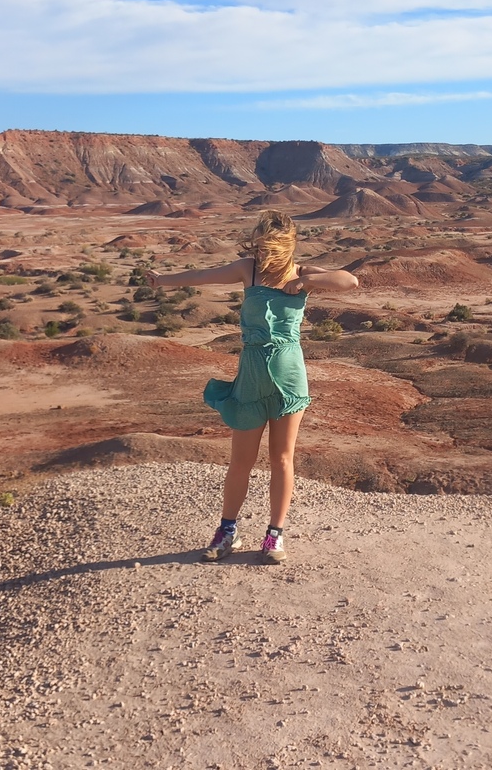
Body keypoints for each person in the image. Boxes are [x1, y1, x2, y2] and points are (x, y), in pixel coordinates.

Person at [146, 210, 359, 565]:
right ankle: (227, 532)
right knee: (241, 461)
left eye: (268, 248)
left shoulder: (301, 272)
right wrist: (162, 280)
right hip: (251, 374)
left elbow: (350, 281)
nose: (261, 253)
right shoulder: (249, 269)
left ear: (285, 247)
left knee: (282, 458)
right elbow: (202, 276)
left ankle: (274, 535)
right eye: (258, 246)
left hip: (289, 377)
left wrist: (304, 283)